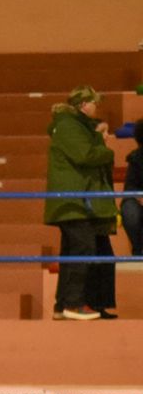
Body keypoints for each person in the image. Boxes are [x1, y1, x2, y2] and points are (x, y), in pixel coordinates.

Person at [45, 86, 118, 321]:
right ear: (83, 105)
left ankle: (62, 305)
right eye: (94, 103)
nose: (96, 107)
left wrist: (96, 134)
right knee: (82, 248)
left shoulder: (72, 126)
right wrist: (105, 148)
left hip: (76, 199)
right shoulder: (68, 126)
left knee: (72, 251)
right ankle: (73, 304)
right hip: (74, 199)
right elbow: (85, 155)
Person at [122, 120, 143, 258]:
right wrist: (140, 197)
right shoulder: (136, 157)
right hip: (138, 197)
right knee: (130, 211)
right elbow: (130, 186)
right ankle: (138, 250)